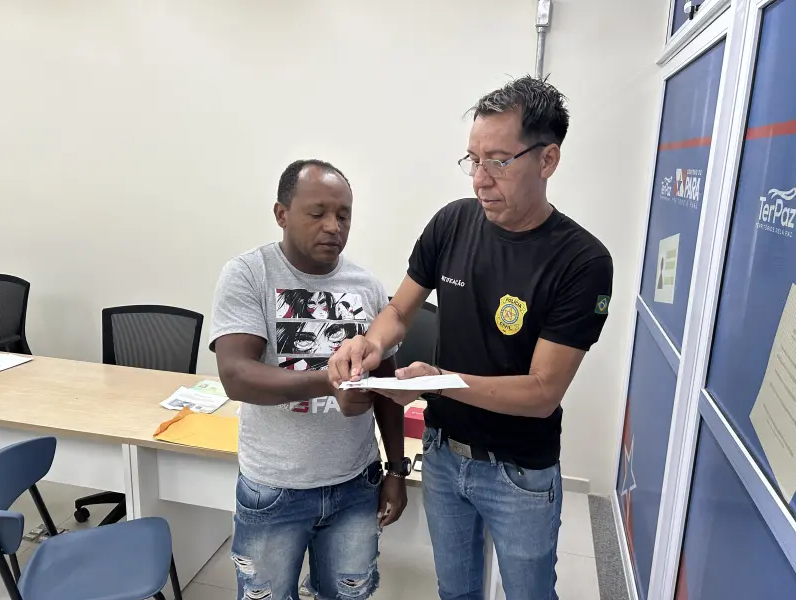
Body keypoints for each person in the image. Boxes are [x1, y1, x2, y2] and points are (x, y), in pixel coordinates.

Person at [328, 77, 613, 600]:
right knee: (455, 592)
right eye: (473, 160)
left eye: (498, 161)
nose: (480, 179)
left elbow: (542, 392)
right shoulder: (453, 223)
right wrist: (370, 343)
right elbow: (399, 310)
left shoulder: (582, 261)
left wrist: (438, 382)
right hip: (443, 454)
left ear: (547, 160)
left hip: (520, 471)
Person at [209, 159, 410, 600]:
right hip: (274, 486)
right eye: (317, 213)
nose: (333, 226)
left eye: (344, 215)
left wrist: (396, 469)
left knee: (347, 594)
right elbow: (236, 375)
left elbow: (386, 388)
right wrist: (329, 382)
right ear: (281, 214)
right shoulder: (250, 274)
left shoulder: (367, 286)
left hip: (355, 484)